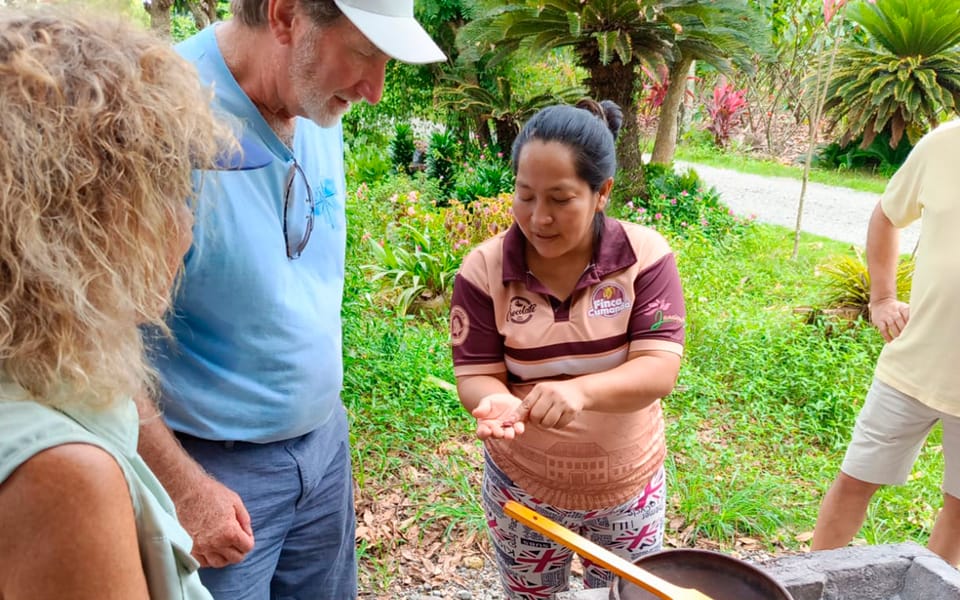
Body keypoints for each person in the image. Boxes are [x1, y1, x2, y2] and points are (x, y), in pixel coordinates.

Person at [138, 1, 446, 599]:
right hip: (210, 469)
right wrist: (181, 486)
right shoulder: (158, 117)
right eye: (364, 53)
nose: (375, 91)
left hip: (323, 446)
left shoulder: (313, 98)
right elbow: (95, 343)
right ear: (284, 17)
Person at [0, 9, 264, 599]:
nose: (187, 226)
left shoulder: (49, 370)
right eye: (168, 189)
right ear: (86, 219)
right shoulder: (62, 476)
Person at [449, 99, 687, 599]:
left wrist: (579, 392)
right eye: (525, 195)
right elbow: (476, 374)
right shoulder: (483, 270)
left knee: (626, 598)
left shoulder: (645, 257)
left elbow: (658, 369)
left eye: (560, 199)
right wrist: (495, 400)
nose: (539, 218)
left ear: (602, 193)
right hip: (522, 488)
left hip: (628, 489)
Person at [812, 121, 960, 566]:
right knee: (854, 482)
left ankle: (931, 592)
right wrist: (881, 298)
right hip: (912, 366)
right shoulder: (944, 143)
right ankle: (811, 583)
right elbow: (887, 214)